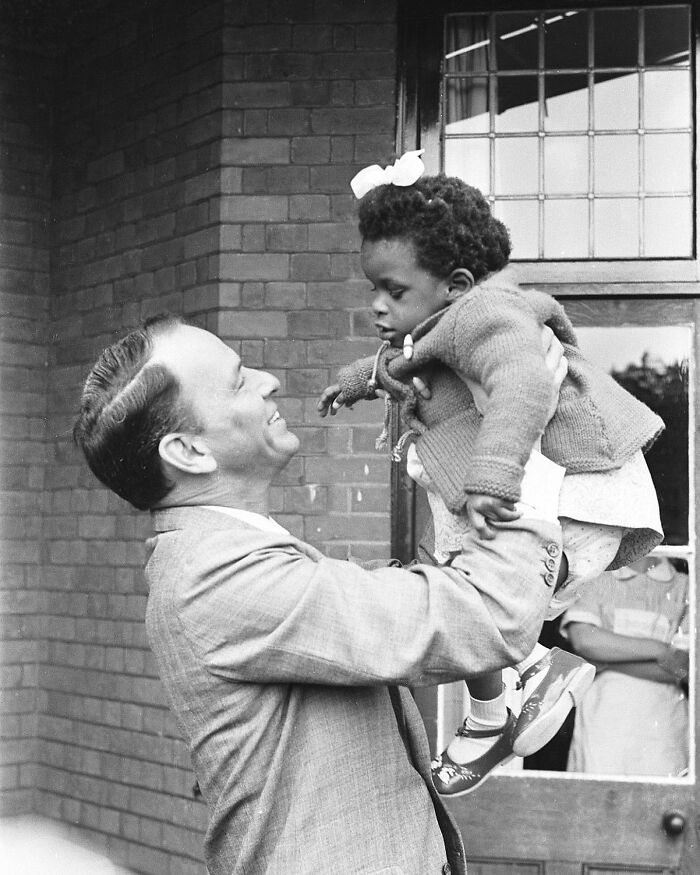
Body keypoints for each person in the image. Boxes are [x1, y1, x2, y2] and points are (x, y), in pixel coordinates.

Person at [73, 313, 570, 875]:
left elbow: (394, 601)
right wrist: (517, 432)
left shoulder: (228, 556)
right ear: (189, 452)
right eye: (238, 381)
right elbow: (486, 617)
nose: (269, 380)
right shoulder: (216, 577)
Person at [318, 150, 664, 796]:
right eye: (373, 288)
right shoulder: (442, 324)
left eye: (394, 290)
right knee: (465, 594)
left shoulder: (485, 315)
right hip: (542, 500)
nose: (377, 305)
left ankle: (518, 682)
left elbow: (525, 384)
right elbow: (401, 360)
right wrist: (356, 381)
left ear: (453, 281)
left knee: (468, 598)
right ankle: (508, 696)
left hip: (576, 495)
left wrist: (493, 478)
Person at [563, 556, 689, 776]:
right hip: (605, 712)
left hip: (663, 716)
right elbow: (584, 640)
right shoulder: (599, 578)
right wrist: (662, 650)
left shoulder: (686, 585)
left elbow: (683, 666)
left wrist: (606, 662)